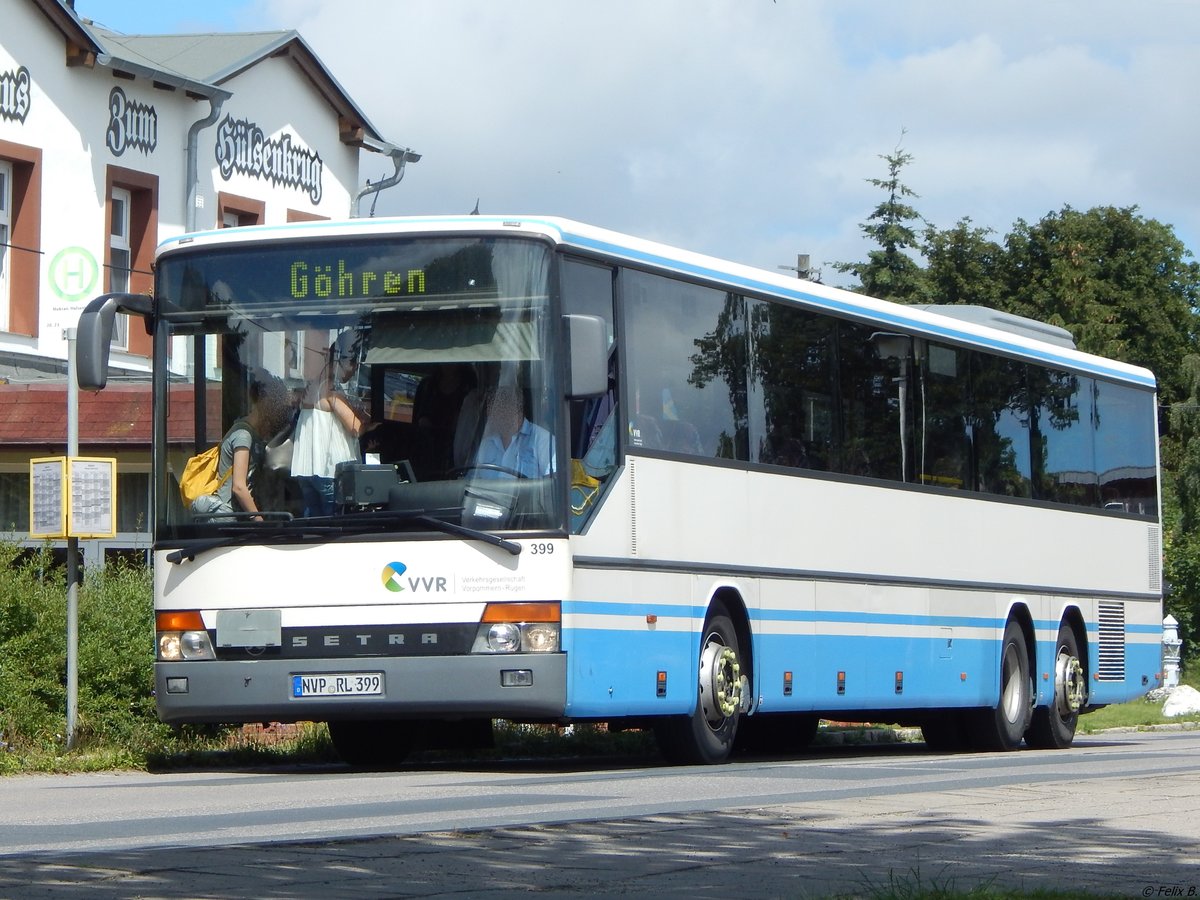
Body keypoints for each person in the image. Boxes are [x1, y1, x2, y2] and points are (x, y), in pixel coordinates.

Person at [291, 333, 372, 516]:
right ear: (343, 361)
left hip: (305, 468)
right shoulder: (330, 391)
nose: (354, 370)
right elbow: (355, 428)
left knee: (312, 520)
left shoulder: (311, 387)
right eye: (353, 364)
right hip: (328, 470)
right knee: (333, 520)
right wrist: (368, 426)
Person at [192, 372, 286, 520]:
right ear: (264, 401)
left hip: (238, 514)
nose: (279, 411)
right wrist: (258, 520)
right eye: (277, 403)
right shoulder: (243, 435)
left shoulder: (254, 436)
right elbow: (239, 487)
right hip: (227, 515)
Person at [472, 384, 555, 478]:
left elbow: (553, 481)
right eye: (492, 411)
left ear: (518, 409)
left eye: (503, 409)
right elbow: (470, 481)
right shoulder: (486, 445)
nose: (494, 416)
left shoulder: (543, 441)